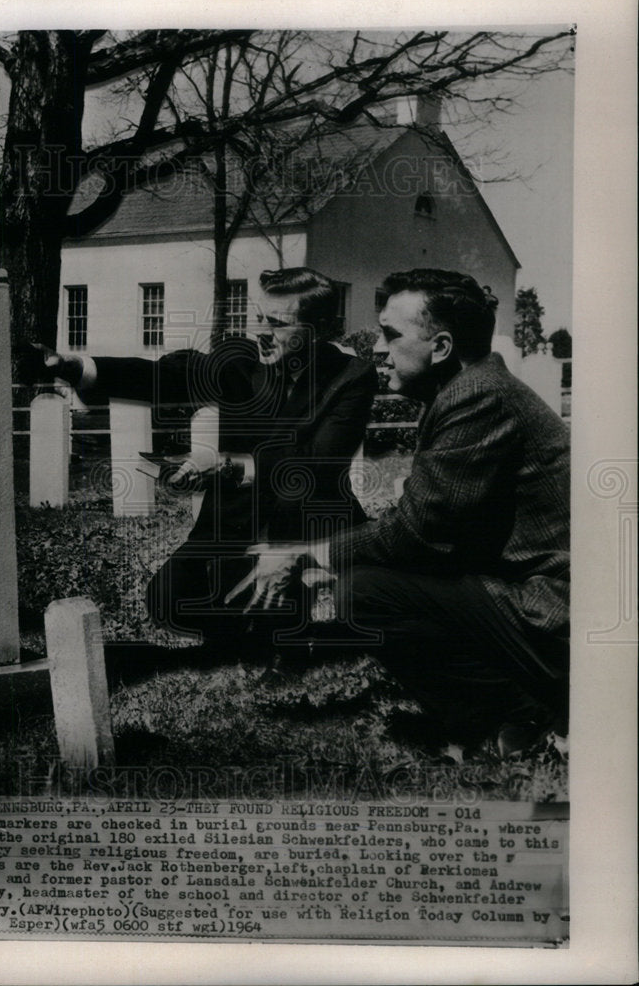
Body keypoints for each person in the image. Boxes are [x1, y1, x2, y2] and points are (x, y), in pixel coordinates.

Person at [227, 268, 570, 755]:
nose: (377, 349)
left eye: (390, 335)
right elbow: (439, 530)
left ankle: (518, 718)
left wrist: (306, 557)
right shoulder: (469, 389)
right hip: (540, 601)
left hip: (556, 616)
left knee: (364, 593)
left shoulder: (477, 397)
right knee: (368, 578)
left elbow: (416, 534)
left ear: (443, 347)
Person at [21, 267, 377, 660]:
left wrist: (229, 467)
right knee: (166, 599)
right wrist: (74, 367)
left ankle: (283, 625)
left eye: (277, 324)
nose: (261, 331)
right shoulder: (241, 363)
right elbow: (167, 375)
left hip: (308, 521)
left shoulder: (351, 377)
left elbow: (320, 463)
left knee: (275, 621)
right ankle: (244, 632)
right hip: (235, 519)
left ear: (319, 328)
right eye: (259, 318)